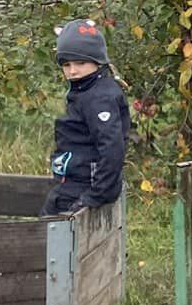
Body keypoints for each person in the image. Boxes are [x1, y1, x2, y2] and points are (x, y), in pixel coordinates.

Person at [46, 19, 130, 215]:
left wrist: (94, 195)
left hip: (84, 187)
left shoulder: (99, 97)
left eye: (80, 63)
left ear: (97, 61)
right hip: (72, 182)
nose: (72, 71)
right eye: (66, 64)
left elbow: (112, 148)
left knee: (49, 235)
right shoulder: (84, 90)